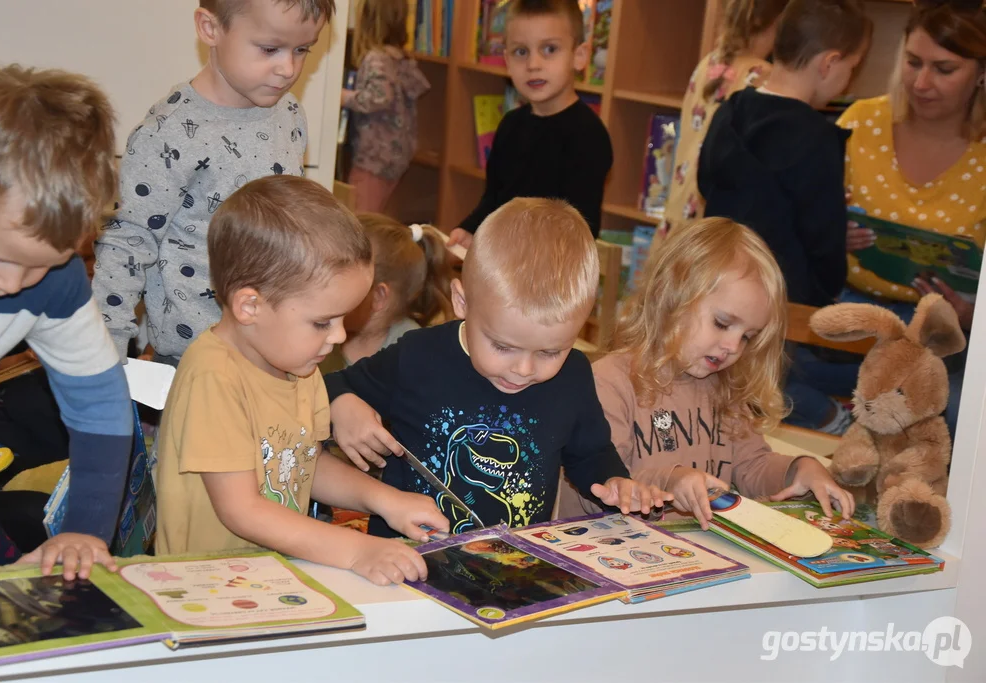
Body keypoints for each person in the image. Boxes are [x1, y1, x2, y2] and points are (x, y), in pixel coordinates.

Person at [154, 175, 448, 586]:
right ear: (250, 306)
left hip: (274, 578)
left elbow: (307, 464)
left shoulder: (300, 363)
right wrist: (357, 551)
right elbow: (242, 510)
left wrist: (385, 500)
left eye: (344, 318)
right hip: (206, 588)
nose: (340, 336)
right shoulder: (213, 376)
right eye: (322, 321)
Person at [326, 197, 672, 537]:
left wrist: (614, 482)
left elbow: (590, 454)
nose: (523, 368)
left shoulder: (574, 375)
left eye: (550, 351)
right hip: (404, 561)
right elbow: (328, 386)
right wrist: (343, 404)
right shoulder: (418, 356)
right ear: (462, 302)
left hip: (513, 568)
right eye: (503, 346)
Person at [559, 218, 854, 527]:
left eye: (746, 337)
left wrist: (800, 470)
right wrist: (672, 483)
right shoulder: (610, 382)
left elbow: (752, 466)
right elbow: (599, 486)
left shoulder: (726, 388)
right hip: (608, 553)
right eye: (722, 323)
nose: (732, 346)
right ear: (671, 297)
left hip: (693, 557)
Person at [92, 0, 334, 366]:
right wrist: (107, 348)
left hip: (274, 348)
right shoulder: (168, 132)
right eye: (270, 49)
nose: (288, 69)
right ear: (210, 29)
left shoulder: (288, 114)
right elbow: (128, 241)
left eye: (301, 50)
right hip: (194, 356)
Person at [0, 66, 133, 578]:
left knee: (5, 588)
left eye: (41, 262)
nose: (13, 284)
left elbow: (99, 409)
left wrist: (84, 528)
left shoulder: (54, 283)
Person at [803, 0, 986, 437]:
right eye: (912, 62)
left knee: (960, 409)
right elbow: (802, 223)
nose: (921, 82)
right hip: (851, 311)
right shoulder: (860, 122)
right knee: (767, 369)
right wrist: (830, 234)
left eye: (944, 69)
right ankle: (846, 431)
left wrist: (970, 312)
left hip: (946, 336)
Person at [697, 0, 870, 308]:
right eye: (851, 68)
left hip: (715, 283)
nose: (849, 80)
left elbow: (705, 183)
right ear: (829, 63)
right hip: (781, 303)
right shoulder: (817, 137)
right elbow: (823, 237)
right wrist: (828, 284)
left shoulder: (731, 109)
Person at [449, 0, 612, 246]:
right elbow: (493, 201)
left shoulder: (588, 135)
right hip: (505, 261)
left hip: (554, 271)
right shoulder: (510, 126)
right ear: (507, 60)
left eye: (549, 49)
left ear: (578, 56)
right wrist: (469, 230)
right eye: (521, 52)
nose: (533, 65)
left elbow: (581, 229)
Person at [658, 0, 789, 247]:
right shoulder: (764, 76)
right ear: (778, 24)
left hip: (677, 216)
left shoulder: (708, 63)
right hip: (711, 223)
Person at [319, 214, 453, 375]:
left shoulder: (412, 350)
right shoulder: (323, 333)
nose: (322, 294)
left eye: (336, 286)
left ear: (378, 296)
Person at [342, 0, 432, 212]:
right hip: (395, 159)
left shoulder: (377, 58)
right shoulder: (398, 58)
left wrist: (344, 97)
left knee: (359, 219)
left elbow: (379, 97)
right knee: (372, 215)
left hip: (374, 159)